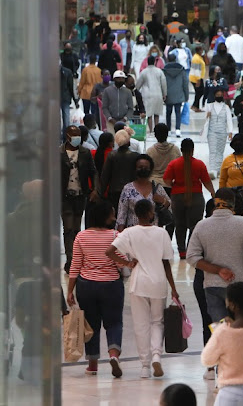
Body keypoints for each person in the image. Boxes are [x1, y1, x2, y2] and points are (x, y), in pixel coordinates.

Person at [106, 199, 179, 379]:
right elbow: (166, 263)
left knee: (141, 325)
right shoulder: (161, 233)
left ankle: (145, 366)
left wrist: (127, 263)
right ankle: (156, 356)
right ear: (149, 213)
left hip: (138, 283)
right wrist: (174, 288)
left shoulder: (129, 232)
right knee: (157, 322)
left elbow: (109, 251)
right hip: (158, 283)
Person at [66, 200, 125, 378]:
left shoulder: (81, 236)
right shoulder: (115, 236)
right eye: (112, 214)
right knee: (114, 322)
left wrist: (70, 290)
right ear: (105, 217)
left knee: (91, 324)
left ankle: (92, 364)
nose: (114, 217)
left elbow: (75, 265)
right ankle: (113, 355)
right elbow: (120, 262)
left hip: (86, 285)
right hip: (111, 285)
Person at [187, 188, 243, 324]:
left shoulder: (202, 225)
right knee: (239, 327)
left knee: (219, 329)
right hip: (238, 284)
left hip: (212, 285)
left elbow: (192, 257)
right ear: (233, 203)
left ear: (215, 202)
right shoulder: (242, 223)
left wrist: (218, 270)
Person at [163, 139, 216, 258]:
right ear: (193, 150)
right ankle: (192, 249)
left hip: (177, 197)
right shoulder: (199, 164)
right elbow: (206, 181)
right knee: (195, 225)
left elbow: (166, 180)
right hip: (196, 196)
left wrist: (175, 186)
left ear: (181, 150)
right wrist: (213, 193)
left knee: (179, 224)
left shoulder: (174, 164)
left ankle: (182, 251)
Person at [61, 125, 100, 273]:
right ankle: (70, 259)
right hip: (64, 197)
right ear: (68, 136)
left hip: (80, 195)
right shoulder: (59, 153)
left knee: (77, 229)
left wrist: (95, 190)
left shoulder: (85, 152)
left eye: (79, 135)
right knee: (68, 227)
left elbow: (93, 171)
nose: (78, 138)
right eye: (74, 135)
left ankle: (77, 259)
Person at [115, 154, 171, 230]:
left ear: (150, 170)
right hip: (133, 233)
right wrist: (120, 234)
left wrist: (163, 201)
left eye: (146, 168)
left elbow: (171, 208)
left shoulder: (158, 188)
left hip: (154, 233)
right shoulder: (128, 189)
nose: (143, 169)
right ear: (135, 169)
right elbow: (121, 214)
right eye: (140, 167)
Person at [100, 129, 139, 214]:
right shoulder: (136, 156)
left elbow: (105, 176)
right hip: (132, 191)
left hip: (114, 191)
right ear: (128, 142)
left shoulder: (111, 155)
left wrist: (101, 193)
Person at [205, 87, 234, 178]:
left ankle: (218, 169)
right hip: (212, 132)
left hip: (222, 132)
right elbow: (205, 121)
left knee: (220, 151)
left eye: (221, 95)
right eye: (217, 95)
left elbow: (229, 120)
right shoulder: (209, 106)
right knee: (212, 150)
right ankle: (212, 170)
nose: (219, 96)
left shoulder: (226, 107)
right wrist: (207, 116)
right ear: (214, 96)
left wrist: (230, 131)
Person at [136, 56, 167, 132]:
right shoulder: (159, 71)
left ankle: (150, 130)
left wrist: (136, 92)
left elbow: (138, 85)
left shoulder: (144, 72)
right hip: (158, 94)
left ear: (147, 62)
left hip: (147, 95)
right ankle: (156, 129)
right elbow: (164, 83)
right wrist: (164, 93)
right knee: (156, 113)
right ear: (154, 62)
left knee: (149, 114)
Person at [162, 51, 188, 137]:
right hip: (179, 94)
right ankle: (178, 129)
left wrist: (163, 93)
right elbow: (185, 83)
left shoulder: (165, 70)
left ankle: (168, 129)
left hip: (168, 94)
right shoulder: (181, 69)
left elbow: (163, 83)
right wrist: (186, 95)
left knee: (168, 112)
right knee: (178, 113)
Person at [60, 62, 77, 133]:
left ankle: (65, 136)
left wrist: (75, 100)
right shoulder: (67, 72)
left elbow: (70, 87)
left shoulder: (67, 72)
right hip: (62, 98)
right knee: (65, 118)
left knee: (66, 119)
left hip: (64, 98)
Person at [189, 45, 207, 112]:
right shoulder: (196, 58)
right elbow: (196, 69)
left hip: (198, 77)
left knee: (199, 92)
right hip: (196, 78)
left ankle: (195, 106)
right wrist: (198, 80)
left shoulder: (198, 57)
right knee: (200, 92)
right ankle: (195, 106)